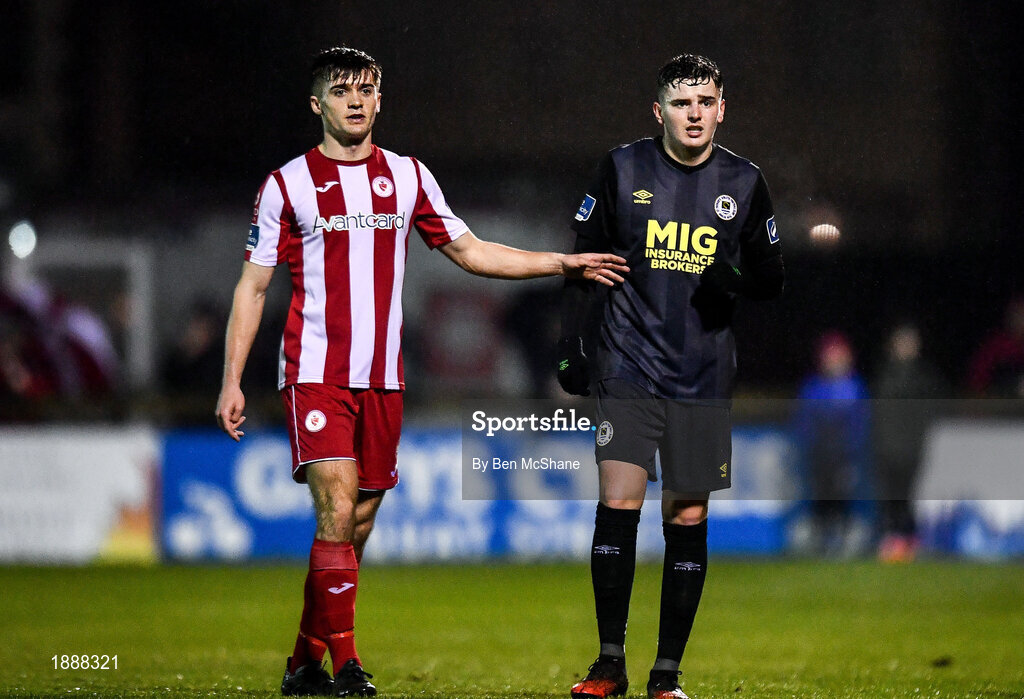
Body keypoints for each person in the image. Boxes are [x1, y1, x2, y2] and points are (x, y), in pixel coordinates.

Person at [214, 46, 627, 698]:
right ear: (315, 102)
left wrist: (561, 263)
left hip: (383, 376)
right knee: (337, 508)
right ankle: (347, 665)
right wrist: (232, 378)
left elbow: (471, 250)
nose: (355, 100)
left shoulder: (406, 176)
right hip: (316, 371)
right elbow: (253, 286)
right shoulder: (287, 183)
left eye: (366, 89)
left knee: (356, 526)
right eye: (340, 89)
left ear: (380, 99)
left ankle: (302, 664)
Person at [557, 54, 784, 699]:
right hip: (628, 363)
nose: (694, 114)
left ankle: (666, 674)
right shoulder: (622, 167)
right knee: (619, 501)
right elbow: (580, 260)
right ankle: (608, 664)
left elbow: (773, 277)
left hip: (703, 373)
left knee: (686, 515)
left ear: (721, 108)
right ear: (659, 112)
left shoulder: (744, 182)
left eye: (705, 102)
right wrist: (572, 344)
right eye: (682, 104)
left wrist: (732, 276)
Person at [791, 331, 872, 558]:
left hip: (845, 456)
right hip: (819, 456)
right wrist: (808, 448)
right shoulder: (814, 387)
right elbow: (804, 422)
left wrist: (853, 452)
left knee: (843, 499)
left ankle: (842, 542)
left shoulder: (855, 387)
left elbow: (860, 424)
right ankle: (820, 543)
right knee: (820, 499)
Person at [871, 323, 946, 562]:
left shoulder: (925, 377)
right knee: (889, 497)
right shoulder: (883, 374)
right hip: (886, 447)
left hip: (911, 448)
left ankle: (909, 542)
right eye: (901, 342)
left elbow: (931, 412)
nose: (906, 347)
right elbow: (877, 413)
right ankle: (891, 541)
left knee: (908, 497)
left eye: (910, 342)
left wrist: (918, 439)